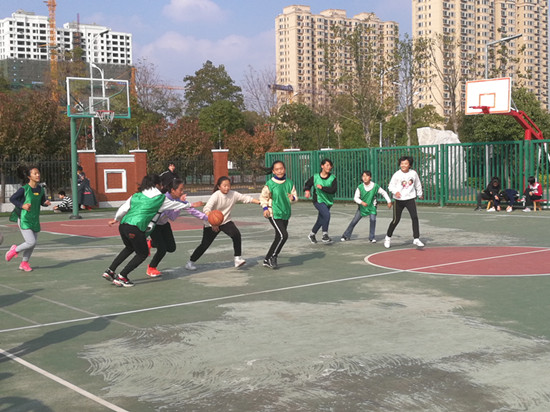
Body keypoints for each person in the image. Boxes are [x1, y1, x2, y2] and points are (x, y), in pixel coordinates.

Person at [102, 174, 203, 287]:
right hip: (135, 227)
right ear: (156, 185)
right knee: (142, 254)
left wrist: (116, 219)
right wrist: (191, 204)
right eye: (161, 184)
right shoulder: (160, 198)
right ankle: (122, 276)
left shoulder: (136, 195)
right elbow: (175, 205)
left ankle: (110, 271)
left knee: (129, 248)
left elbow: (123, 208)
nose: (162, 186)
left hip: (123, 226)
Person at [186, 176, 260, 271]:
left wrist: (259, 202)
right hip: (211, 223)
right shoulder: (216, 195)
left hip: (225, 221)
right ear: (219, 186)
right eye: (224, 186)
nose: (227, 188)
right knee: (205, 244)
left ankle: (237, 259)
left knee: (236, 234)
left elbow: (246, 198)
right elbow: (206, 209)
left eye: (228, 185)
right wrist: (213, 222)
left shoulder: (233, 194)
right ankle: (190, 262)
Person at [147, 178, 207, 277]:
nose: (182, 192)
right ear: (173, 190)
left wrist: (207, 218)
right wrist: (180, 206)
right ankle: (151, 268)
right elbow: (170, 216)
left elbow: (190, 211)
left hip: (164, 224)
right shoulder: (164, 199)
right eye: (181, 189)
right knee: (162, 249)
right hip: (155, 225)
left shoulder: (178, 200)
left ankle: (150, 243)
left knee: (171, 248)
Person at [6, 165, 51, 271]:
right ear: (29, 176)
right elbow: (12, 199)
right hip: (24, 218)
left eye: (38, 173)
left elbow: (41, 202)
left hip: (34, 219)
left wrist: (45, 203)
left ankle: (24, 263)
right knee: (31, 242)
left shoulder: (40, 189)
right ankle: (14, 250)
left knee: (32, 244)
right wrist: (22, 205)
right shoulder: (24, 189)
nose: (38, 175)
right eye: (35, 173)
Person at [260, 160, 298, 269]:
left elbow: (295, 197)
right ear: (273, 171)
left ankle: (267, 259)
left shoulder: (289, 183)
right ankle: (273, 257)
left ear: (284, 169)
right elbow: (263, 197)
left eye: (281, 168)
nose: (279, 171)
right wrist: (265, 208)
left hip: (285, 213)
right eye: (277, 169)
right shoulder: (270, 184)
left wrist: (293, 198)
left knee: (278, 237)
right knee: (283, 235)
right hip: (273, 213)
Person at [341, 170, 392, 242]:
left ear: (370, 177)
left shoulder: (375, 186)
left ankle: (372, 237)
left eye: (367, 176)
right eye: (363, 176)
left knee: (373, 220)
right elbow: (355, 198)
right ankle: (346, 235)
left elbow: (384, 192)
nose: (365, 178)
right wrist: (362, 202)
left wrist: (389, 201)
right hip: (362, 208)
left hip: (372, 207)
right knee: (354, 221)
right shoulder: (360, 187)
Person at [384, 156, 424, 249]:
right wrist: (396, 192)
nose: (403, 165)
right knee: (396, 220)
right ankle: (388, 237)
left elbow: (417, 184)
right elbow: (390, 186)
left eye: (405, 163)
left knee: (414, 217)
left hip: (410, 199)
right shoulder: (397, 174)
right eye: (402, 164)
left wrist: (420, 194)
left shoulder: (413, 173)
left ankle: (416, 238)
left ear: (409, 165)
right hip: (398, 200)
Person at [304, 158, 337, 243]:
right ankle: (325, 235)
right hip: (318, 200)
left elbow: (333, 190)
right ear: (322, 166)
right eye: (327, 165)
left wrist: (322, 188)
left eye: (330, 165)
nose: (329, 167)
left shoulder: (333, 178)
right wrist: (307, 191)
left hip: (328, 201)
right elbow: (307, 184)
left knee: (321, 219)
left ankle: (312, 234)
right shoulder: (315, 177)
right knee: (326, 215)